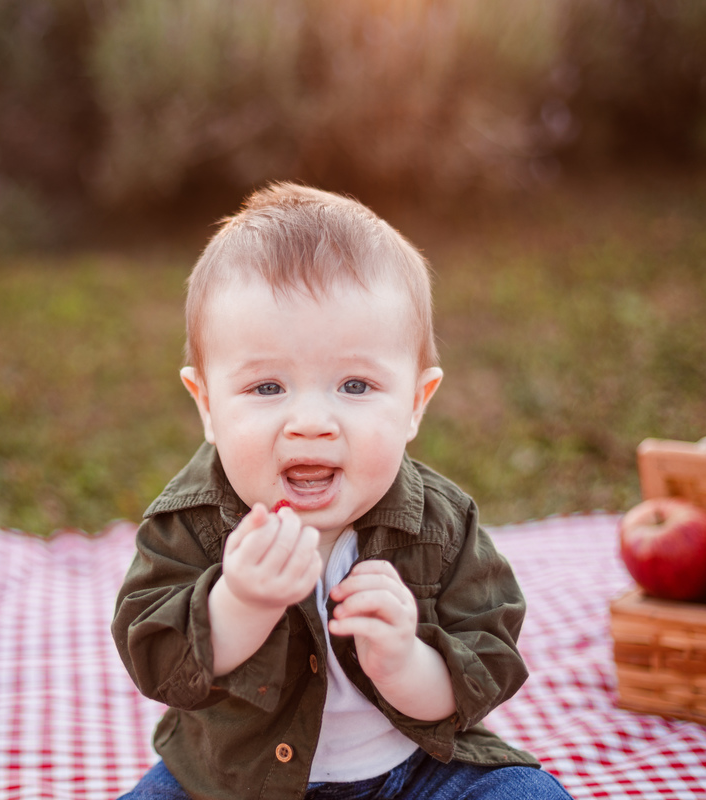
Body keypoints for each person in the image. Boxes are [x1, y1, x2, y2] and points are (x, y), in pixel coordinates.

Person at [112, 183, 572, 800]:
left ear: (415, 403)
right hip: (229, 779)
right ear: (207, 405)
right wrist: (239, 602)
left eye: (354, 386)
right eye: (267, 387)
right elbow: (157, 662)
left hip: (416, 770)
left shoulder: (442, 522)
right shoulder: (190, 522)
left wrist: (405, 662)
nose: (311, 421)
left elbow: (487, 664)